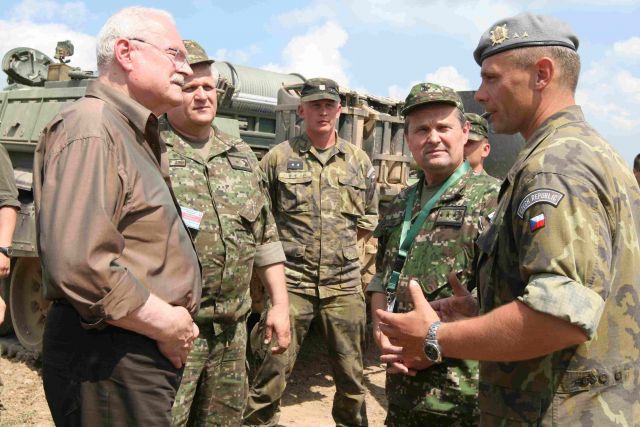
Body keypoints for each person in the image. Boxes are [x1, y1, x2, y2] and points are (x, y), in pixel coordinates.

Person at [376, 12, 640, 425]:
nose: (480, 95)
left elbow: (559, 317)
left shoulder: (555, 167)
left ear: (541, 74)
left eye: (491, 78)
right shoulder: (585, 151)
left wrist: (434, 336)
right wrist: (484, 309)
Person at [33, 7, 202, 426]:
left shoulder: (129, 130)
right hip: (109, 356)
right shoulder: (92, 127)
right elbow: (79, 264)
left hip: (129, 352)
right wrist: (167, 323)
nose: (186, 69)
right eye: (175, 54)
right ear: (126, 53)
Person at [162, 40, 291, 427]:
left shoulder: (241, 155)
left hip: (232, 335)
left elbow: (265, 236)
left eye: (208, 86)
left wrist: (280, 304)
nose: (202, 95)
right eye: (190, 88)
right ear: (171, 91)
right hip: (173, 334)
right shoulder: (150, 150)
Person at [244, 78, 378, 427]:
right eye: (315, 105)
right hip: (292, 284)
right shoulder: (277, 158)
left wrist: (336, 249)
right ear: (301, 111)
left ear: (339, 110)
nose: (322, 111)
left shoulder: (358, 160)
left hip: (343, 286)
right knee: (270, 374)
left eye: (328, 105)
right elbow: (261, 219)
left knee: (352, 380)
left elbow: (369, 217)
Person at [367, 83, 499, 426]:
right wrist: (381, 331)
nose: (433, 138)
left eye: (443, 127)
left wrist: (431, 340)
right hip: (402, 392)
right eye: (422, 130)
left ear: (464, 132)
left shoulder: (493, 199)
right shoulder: (401, 203)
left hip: (462, 397)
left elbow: (509, 300)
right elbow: (382, 276)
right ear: (408, 139)